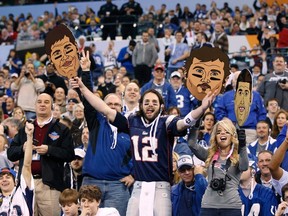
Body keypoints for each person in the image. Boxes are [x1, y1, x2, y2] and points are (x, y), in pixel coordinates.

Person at [70, 50, 215, 216]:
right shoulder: (132, 122)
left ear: (161, 106)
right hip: (139, 185)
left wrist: (202, 108)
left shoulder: (166, 122)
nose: (150, 105)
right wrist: (83, 87)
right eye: (147, 102)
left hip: (161, 185)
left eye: (154, 102)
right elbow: (101, 107)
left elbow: (184, 122)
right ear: (141, 105)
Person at [78, 58, 133, 216]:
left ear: (121, 108)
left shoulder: (129, 126)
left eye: (116, 105)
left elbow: (140, 151)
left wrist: (134, 174)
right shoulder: (96, 122)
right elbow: (89, 101)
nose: (113, 107)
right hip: (91, 182)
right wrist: (86, 72)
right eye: (109, 104)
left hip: (118, 185)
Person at [7, 93, 75, 216]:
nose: (42, 104)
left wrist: (49, 150)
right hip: (27, 183)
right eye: (39, 102)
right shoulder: (25, 129)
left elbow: (70, 154)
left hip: (50, 185)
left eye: (46, 102)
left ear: (52, 106)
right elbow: (10, 153)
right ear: (35, 105)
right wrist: (23, 148)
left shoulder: (61, 129)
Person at [189, 118, 248, 215]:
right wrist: (196, 126)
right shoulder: (209, 154)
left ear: (232, 136)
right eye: (219, 132)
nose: (222, 134)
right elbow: (191, 144)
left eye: (227, 131)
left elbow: (244, 167)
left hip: (231, 206)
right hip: (208, 206)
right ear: (215, 137)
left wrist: (242, 145)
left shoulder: (238, 155)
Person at [215, 71, 267, 144]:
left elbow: (262, 113)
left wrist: (259, 126)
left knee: (249, 154)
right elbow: (219, 112)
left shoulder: (256, 96)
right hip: (231, 131)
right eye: (237, 79)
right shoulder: (226, 96)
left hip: (250, 132)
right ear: (233, 82)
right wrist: (224, 119)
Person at [0, 122, 34, 215]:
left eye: (8, 177)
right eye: (1, 178)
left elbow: (27, 165)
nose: (4, 180)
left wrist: (30, 137)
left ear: (15, 181)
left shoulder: (22, 191)